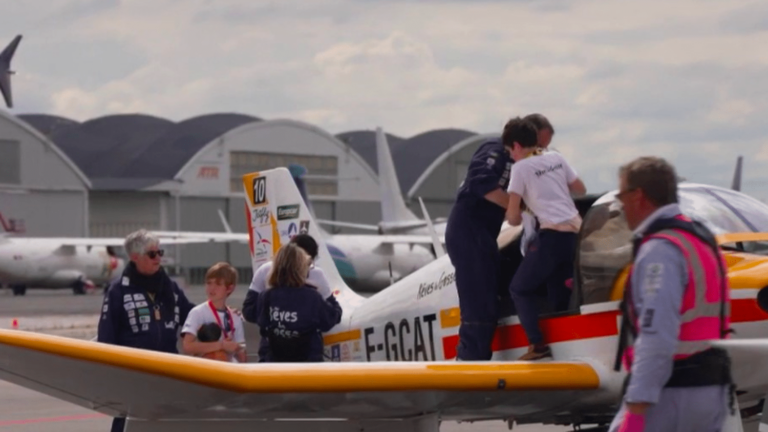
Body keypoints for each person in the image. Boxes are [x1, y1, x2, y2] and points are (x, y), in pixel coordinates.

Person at [609, 157, 734, 432]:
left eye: (622, 195)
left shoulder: (660, 250)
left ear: (638, 196)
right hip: (710, 389)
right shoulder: (700, 239)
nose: (621, 205)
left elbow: (657, 334)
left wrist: (637, 405)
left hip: (670, 393)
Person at [444, 117, 538, 361]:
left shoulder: (518, 163)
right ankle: (469, 363)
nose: (530, 157)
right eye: (529, 152)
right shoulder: (495, 151)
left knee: (495, 286)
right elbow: (480, 183)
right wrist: (519, 207)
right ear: (517, 145)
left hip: (485, 236)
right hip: (468, 233)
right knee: (479, 300)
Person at [97, 229, 195, 432]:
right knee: (127, 423)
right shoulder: (118, 292)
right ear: (135, 257)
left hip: (169, 370)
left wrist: (217, 312)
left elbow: (191, 317)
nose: (159, 258)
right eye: (152, 254)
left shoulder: (171, 287)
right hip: (133, 373)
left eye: (160, 252)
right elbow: (106, 336)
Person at [505, 130, 586, 360]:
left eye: (510, 151)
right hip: (575, 235)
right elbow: (580, 189)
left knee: (519, 289)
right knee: (559, 291)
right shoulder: (556, 158)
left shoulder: (519, 168)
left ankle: (537, 345)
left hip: (551, 236)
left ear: (517, 145)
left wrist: (525, 209)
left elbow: (512, 218)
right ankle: (570, 346)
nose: (511, 156)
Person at [241, 233, 332, 362]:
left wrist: (275, 319)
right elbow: (332, 316)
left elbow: (254, 313)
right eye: (306, 262)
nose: (308, 268)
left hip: (273, 357)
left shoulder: (266, 295)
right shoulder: (313, 296)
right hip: (305, 359)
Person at [181, 262, 247, 363]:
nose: (211, 288)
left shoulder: (235, 316)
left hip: (230, 371)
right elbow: (187, 346)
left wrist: (237, 349)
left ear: (230, 288)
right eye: (209, 283)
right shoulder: (197, 312)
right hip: (206, 371)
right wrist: (221, 345)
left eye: (218, 284)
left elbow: (242, 355)